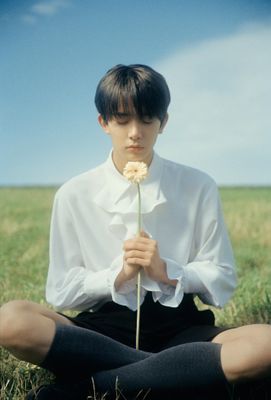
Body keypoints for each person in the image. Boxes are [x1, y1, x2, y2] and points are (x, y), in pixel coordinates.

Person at [1, 64, 271, 400]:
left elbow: (223, 279)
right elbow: (61, 292)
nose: (135, 132)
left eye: (146, 120)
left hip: (182, 328)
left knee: (266, 344)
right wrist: (118, 274)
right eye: (122, 119)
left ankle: (82, 390)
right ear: (104, 122)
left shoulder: (198, 185)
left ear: (163, 122)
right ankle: (175, 373)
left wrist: (169, 272)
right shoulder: (73, 194)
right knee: (11, 320)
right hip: (99, 332)